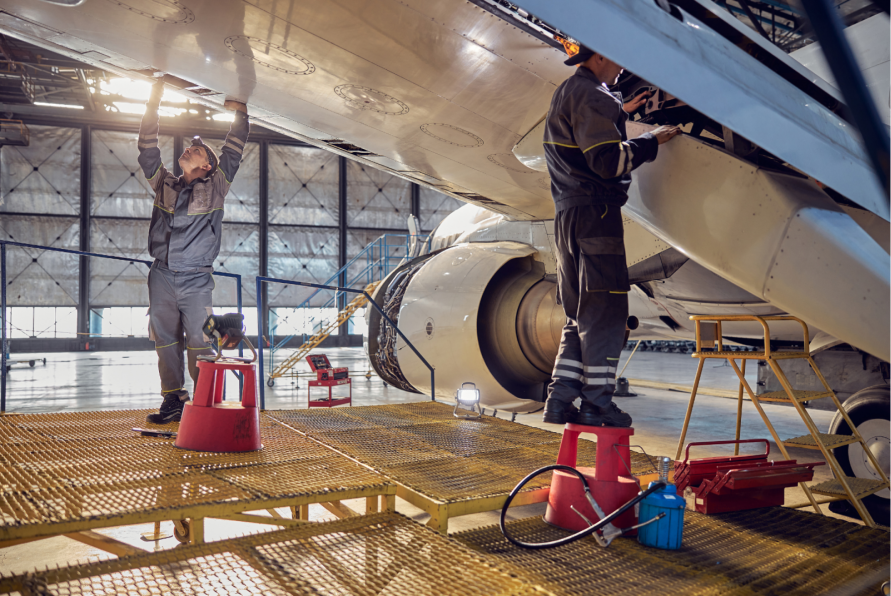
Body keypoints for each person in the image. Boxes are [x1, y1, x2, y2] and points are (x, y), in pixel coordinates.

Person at [542, 45, 680, 427]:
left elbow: (582, 139)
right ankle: (599, 404)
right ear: (599, 55)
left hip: (568, 217)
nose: (623, 67)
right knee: (606, 314)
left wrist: (621, 112)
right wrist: (652, 140)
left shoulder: (568, 92)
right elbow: (607, 161)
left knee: (578, 315)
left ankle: (560, 400)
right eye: (618, 58)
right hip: (597, 216)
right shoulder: (593, 96)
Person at [137, 80, 250, 423]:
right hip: (162, 275)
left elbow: (233, 150)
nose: (188, 150)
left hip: (197, 279)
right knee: (165, 341)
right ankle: (174, 399)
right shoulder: (164, 184)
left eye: (197, 151)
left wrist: (240, 114)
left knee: (200, 343)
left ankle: (204, 405)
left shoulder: (217, 186)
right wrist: (153, 103)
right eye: (189, 148)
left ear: (208, 166)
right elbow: (147, 149)